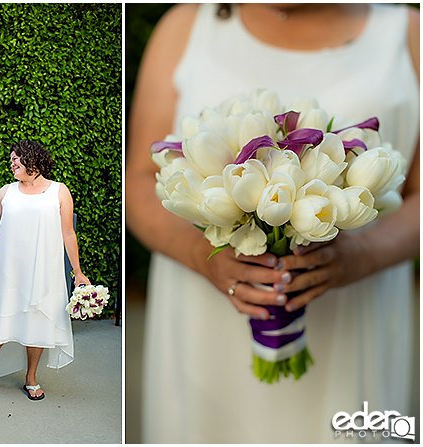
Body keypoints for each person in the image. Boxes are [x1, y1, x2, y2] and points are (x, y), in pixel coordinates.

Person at [126, 3, 419, 443]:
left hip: (354, 315)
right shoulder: (186, 26)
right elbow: (140, 180)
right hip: (206, 317)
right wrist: (202, 258)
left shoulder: (407, 33)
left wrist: (358, 256)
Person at [0, 140, 90, 401]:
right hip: (9, 272)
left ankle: (31, 379)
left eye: (16, 159)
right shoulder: (7, 192)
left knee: (37, 322)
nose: (11, 163)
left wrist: (77, 272)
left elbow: (68, 233)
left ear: (33, 161)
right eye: (11, 159)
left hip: (44, 271)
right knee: (2, 319)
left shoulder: (59, 191)